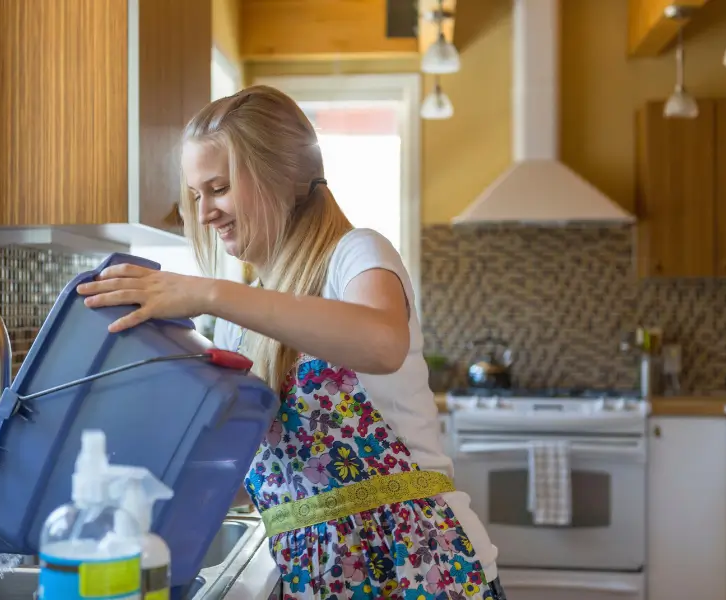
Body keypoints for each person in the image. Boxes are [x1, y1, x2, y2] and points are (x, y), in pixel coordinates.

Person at [76, 85, 506, 600]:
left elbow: (381, 343)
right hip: (316, 580)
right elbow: (247, 467)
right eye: (196, 196)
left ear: (279, 176)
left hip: (420, 568)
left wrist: (209, 292)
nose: (205, 212)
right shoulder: (238, 316)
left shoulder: (356, 254)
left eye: (218, 188)